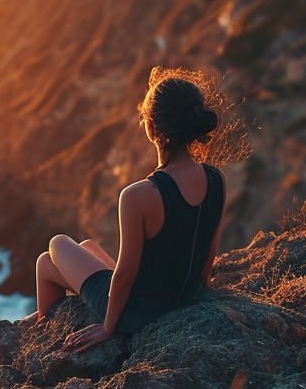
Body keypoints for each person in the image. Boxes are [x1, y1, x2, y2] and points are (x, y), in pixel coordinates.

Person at [27, 67, 227, 351]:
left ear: (151, 128)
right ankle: (45, 325)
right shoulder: (216, 179)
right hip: (183, 296)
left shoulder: (139, 195)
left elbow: (125, 277)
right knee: (84, 246)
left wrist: (108, 328)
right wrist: (201, 292)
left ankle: (44, 338)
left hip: (139, 316)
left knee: (55, 246)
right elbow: (208, 257)